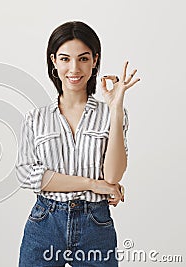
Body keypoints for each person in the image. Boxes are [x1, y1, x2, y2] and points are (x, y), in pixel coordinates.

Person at [16, 21, 140, 266]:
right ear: (54, 61)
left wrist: (115, 109)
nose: (74, 68)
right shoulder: (35, 118)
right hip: (45, 224)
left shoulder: (111, 115)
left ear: (95, 60)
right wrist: (93, 184)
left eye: (83, 59)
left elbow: (113, 176)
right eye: (65, 59)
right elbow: (25, 174)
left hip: (95, 225)